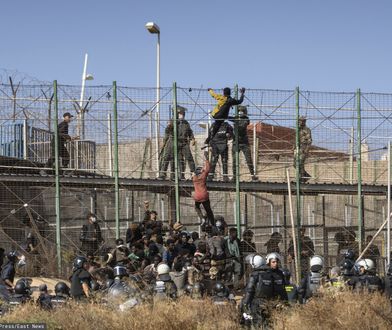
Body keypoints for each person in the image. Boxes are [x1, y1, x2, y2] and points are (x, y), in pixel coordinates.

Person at [241, 254, 287, 327]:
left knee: (258, 323)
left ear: (254, 264)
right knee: (269, 323)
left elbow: (250, 290)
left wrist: (245, 303)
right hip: (270, 302)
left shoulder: (255, 274)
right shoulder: (271, 273)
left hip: (257, 302)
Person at [230, 106, 258, 181]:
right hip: (236, 143)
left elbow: (242, 128)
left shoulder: (246, 119)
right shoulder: (235, 118)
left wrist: (236, 121)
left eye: (242, 111)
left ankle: (253, 175)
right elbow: (227, 117)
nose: (240, 112)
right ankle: (234, 176)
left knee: (248, 159)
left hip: (244, 143)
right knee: (235, 160)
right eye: (239, 111)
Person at [192, 151, 215, 226]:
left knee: (197, 207)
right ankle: (213, 224)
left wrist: (195, 172)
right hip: (204, 195)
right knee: (209, 210)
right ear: (201, 171)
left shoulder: (194, 178)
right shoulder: (203, 176)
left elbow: (194, 173)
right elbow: (207, 168)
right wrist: (206, 159)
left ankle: (202, 218)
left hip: (197, 196)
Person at [176, 106, 196, 179]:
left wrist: (192, 139)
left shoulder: (186, 123)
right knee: (180, 159)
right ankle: (181, 175)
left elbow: (190, 131)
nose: (182, 115)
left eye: (183, 114)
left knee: (189, 157)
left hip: (184, 143)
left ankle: (193, 173)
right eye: (180, 114)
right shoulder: (174, 123)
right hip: (177, 143)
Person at [293, 116, 312, 182]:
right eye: (299, 121)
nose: (299, 122)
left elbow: (309, 141)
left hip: (303, 148)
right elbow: (296, 139)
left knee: (300, 163)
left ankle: (301, 178)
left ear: (304, 122)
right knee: (295, 164)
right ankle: (305, 176)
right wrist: (293, 147)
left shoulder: (307, 130)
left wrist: (306, 149)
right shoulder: (298, 129)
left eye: (301, 121)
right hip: (297, 148)